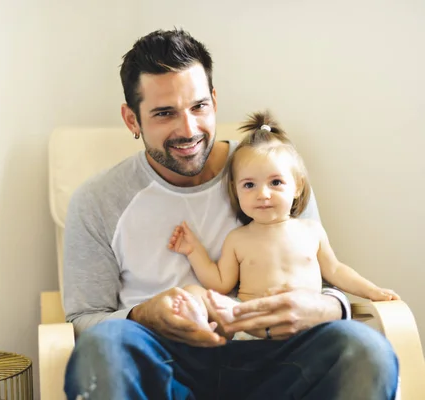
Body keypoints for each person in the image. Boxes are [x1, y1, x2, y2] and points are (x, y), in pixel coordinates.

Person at [63, 29, 398, 399]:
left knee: (364, 348)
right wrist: (144, 315)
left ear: (215, 101)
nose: (188, 129)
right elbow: (84, 320)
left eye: (198, 106)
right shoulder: (96, 201)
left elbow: (322, 273)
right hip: (164, 364)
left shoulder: (269, 171)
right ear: (132, 120)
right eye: (164, 113)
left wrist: (325, 306)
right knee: (105, 344)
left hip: (277, 358)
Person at [168, 111, 399, 340]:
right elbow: (220, 282)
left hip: (304, 323)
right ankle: (201, 323)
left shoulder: (311, 231)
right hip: (252, 323)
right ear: (236, 191)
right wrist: (193, 251)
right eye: (249, 185)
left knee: (352, 336)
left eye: (276, 182)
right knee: (196, 294)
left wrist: (372, 291)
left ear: (297, 186)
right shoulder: (238, 238)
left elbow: (336, 271)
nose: (263, 194)